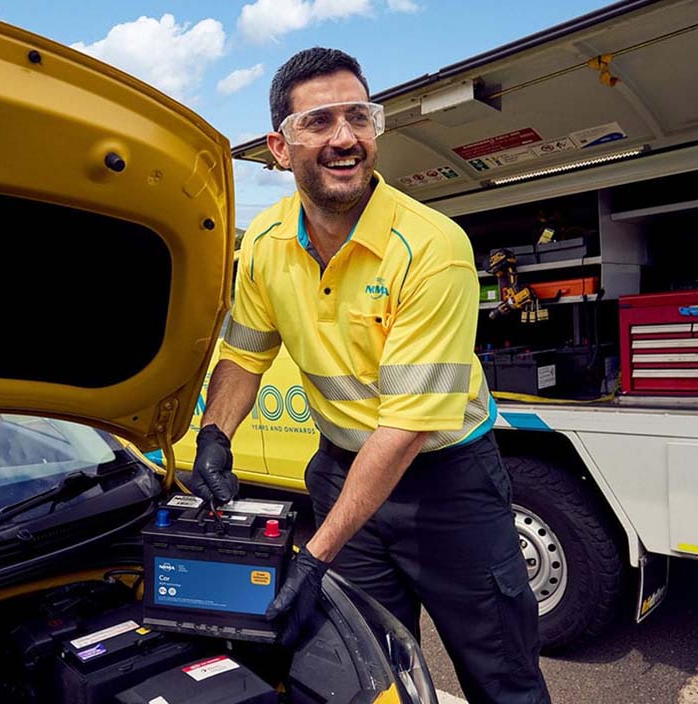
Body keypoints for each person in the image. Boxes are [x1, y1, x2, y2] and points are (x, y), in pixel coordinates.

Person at [190, 47, 551, 704]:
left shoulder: (432, 248)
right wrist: (215, 434)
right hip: (339, 471)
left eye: (359, 117)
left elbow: (407, 426)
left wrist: (314, 553)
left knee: (501, 678)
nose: (345, 137)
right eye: (321, 121)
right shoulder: (266, 244)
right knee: (364, 671)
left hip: (450, 491)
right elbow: (244, 353)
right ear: (280, 146)